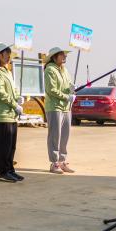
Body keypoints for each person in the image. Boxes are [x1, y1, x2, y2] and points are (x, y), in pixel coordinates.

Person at [0, 42, 23, 183]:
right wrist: (14, 104)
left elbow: (13, 89)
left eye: (9, 54)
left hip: (11, 114)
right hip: (2, 114)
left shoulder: (7, 71)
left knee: (11, 145)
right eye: (6, 54)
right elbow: (0, 92)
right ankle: (2, 172)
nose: (9, 57)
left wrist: (18, 98)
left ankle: (10, 170)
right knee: (3, 145)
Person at [43, 46, 75, 175]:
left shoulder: (65, 70)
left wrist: (71, 89)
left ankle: (62, 161)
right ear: (54, 57)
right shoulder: (50, 70)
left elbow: (67, 85)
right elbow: (51, 90)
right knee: (55, 136)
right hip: (54, 107)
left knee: (65, 135)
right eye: (62, 54)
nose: (65, 56)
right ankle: (54, 162)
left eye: (65, 55)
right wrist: (66, 97)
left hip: (66, 107)